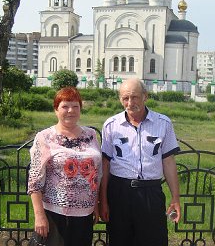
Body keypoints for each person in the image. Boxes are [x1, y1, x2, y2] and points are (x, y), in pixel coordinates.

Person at [99, 78, 181, 246]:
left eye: (135, 97)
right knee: (120, 240)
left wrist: (175, 198)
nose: (130, 102)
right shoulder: (111, 125)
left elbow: (168, 162)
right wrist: (104, 200)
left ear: (145, 96)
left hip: (150, 193)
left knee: (154, 240)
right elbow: (105, 165)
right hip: (120, 193)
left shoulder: (163, 123)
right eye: (125, 98)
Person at [28, 87, 102, 246]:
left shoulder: (90, 135)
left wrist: (96, 204)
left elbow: (97, 174)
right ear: (56, 110)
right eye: (65, 106)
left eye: (75, 106)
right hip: (55, 214)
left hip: (85, 214)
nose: (71, 111)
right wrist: (39, 215)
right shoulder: (45, 137)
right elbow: (34, 180)